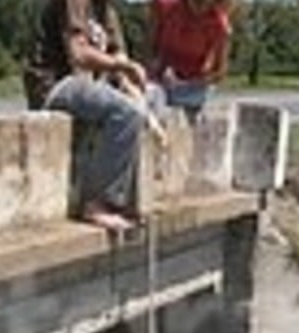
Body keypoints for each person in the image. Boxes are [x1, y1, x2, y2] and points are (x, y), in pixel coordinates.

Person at [25, 0, 151, 232]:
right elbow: (78, 54)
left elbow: (119, 60)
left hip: (88, 84)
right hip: (54, 84)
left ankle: (128, 203)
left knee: (143, 108)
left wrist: (135, 91)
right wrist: (123, 68)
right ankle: (98, 203)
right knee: (125, 113)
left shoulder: (107, 11)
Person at [148, 0, 232, 116]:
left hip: (193, 86)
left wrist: (198, 81)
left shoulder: (219, 24)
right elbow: (152, 51)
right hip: (161, 82)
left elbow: (219, 72)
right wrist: (159, 70)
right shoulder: (165, 7)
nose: (200, 7)